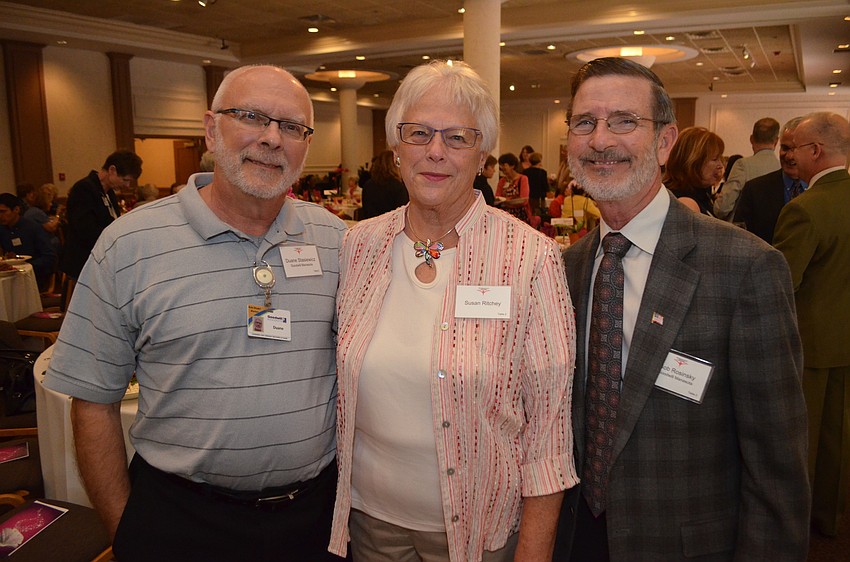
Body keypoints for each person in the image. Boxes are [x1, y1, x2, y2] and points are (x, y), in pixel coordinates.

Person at [44, 64, 349, 562]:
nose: (273, 139)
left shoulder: (337, 242)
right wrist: (128, 531)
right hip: (181, 521)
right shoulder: (128, 246)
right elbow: (92, 401)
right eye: (251, 117)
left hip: (315, 520)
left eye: (292, 126)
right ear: (211, 129)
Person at [553, 57, 809, 562]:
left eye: (624, 121)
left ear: (666, 141)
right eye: (585, 122)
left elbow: (777, 469)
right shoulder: (564, 267)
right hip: (577, 539)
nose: (601, 140)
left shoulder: (746, 267)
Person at [330, 59, 578, 562]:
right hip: (369, 524)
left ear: (483, 154)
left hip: (482, 532)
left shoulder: (530, 257)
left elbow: (549, 432)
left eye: (458, 137)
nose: (435, 151)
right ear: (396, 148)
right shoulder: (359, 245)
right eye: (419, 133)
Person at [773, 112, 850, 538]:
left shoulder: (805, 209)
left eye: (793, 148)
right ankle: (830, 516)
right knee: (840, 438)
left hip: (812, 345)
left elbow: (782, 283)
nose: (788, 155)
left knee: (804, 441)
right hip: (844, 337)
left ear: (815, 151)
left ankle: (799, 523)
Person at [61, 150, 142, 281]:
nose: (127, 185)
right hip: (84, 261)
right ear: (112, 170)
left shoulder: (109, 193)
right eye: (125, 180)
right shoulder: (84, 189)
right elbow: (85, 230)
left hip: (103, 258)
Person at [713, 117, 780, 220]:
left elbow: (723, 208)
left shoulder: (742, 165)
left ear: (751, 139)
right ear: (776, 141)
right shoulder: (782, 168)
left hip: (745, 230)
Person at [0, 193, 57, 290]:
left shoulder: (32, 228)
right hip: (9, 277)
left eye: (3, 212)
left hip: (34, 278)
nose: (0, 216)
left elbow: (50, 257)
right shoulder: (2, 229)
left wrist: (28, 266)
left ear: (16, 210)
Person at [663, 126, 725, 215]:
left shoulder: (702, 194)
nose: (720, 165)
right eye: (715, 159)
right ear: (694, 162)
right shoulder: (686, 203)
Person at [360, 150, 409, 219]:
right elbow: (402, 214)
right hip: (392, 227)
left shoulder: (368, 185)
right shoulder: (398, 187)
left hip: (372, 226)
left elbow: (366, 211)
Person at [496, 152, 532, 224]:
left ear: (512, 166)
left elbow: (524, 199)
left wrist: (507, 201)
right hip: (505, 216)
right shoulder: (502, 181)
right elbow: (497, 197)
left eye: (504, 165)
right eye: (501, 165)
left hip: (521, 216)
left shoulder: (522, 179)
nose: (502, 168)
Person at [523, 151, 549, 218]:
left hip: (528, 197)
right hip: (539, 198)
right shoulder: (543, 172)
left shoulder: (525, 172)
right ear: (539, 161)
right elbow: (545, 187)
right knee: (539, 216)